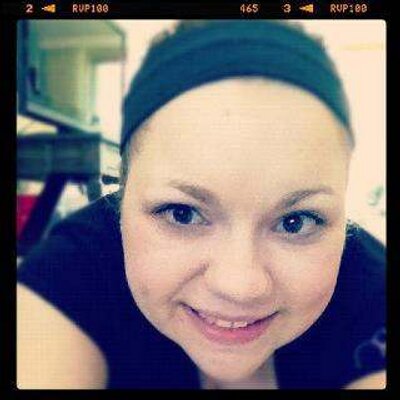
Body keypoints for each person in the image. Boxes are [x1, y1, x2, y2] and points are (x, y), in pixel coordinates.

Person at [17, 20, 386, 389]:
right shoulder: (73, 268)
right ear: (122, 193)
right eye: (183, 214)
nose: (240, 286)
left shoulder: (372, 291)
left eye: (296, 221)